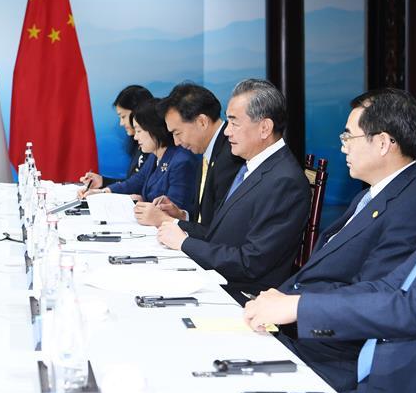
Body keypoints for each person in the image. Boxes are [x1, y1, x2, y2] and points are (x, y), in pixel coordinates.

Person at [244, 76, 416, 393]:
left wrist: (300, 307)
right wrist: (296, 306)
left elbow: (415, 308)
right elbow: (389, 287)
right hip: (382, 380)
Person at [275, 88, 416, 392]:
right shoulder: (372, 193)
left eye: (348, 138)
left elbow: (374, 293)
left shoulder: (414, 205)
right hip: (302, 331)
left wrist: (295, 306)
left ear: (381, 143)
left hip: (334, 356)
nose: (343, 149)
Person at [157, 79, 310, 294]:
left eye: (234, 123)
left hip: (244, 295)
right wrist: (178, 227)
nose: (227, 132)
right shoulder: (253, 167)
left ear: (264, 128)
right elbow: (220, 233)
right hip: (220, 278)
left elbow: (252, 262)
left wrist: (185, 243)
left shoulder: (284, 182)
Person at [134, 83, 243, 227]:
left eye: (177, 133)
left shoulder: (231, 156)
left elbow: (219, 232)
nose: (176, 142)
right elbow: (206, 219)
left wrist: (167, 220)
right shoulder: (209, 152)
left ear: (202, 122)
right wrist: (181, 215)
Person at [80, 99, 197, 206]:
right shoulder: (154, 156)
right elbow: (136, 181)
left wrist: (143, 203)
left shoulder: (181, 161)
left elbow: (176, 209)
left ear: (154, 129)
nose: (135, 137)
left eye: (139, 131)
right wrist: (103, 192)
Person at [80, 84, 153, 189]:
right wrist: (103, 182)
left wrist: (106, 190)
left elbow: (140, 187)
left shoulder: (153, 149)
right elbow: (133, 183)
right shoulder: (137, 145)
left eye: (123, 117)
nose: (121, 123)